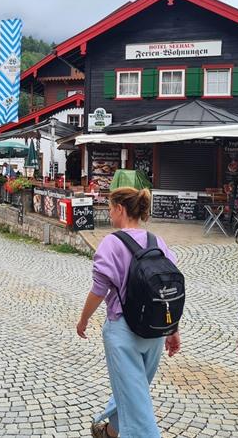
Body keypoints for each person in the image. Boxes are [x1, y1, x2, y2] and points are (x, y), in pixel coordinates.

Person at [77, 187, 181, 438]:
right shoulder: (157, 242)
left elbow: (99, 290)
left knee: (136, 403)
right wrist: (172, 329)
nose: (110, 214)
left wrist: (83, 319)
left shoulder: (111, 243)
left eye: (110, 209)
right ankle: (111, 431)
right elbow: (166, 291)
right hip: (155, 332)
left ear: (120, 209)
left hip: (123, 332)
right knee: (134, 391)